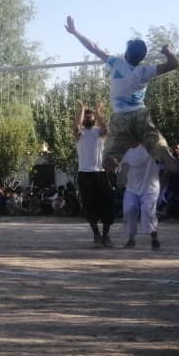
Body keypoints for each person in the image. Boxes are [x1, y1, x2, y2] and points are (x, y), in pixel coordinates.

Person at [65, 16, 179, 174]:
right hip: (141, 115)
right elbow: (173, 64)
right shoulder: (144, 71)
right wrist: (168, 52)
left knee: (114, 148)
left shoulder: (116, 63)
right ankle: (164, 153)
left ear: (126, 54)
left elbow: (93, 48)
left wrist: (75, 32)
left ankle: (112, 160)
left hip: (121, 117)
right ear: (141, 58)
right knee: (155, 140)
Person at [74, 100, 115, 246]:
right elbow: (76, 126)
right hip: (85, 174)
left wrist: (98, 112)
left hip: (100, 173)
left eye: (89, 116)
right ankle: (96, 236)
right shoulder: (81, 133)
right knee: (89, 206)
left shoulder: (99, 132)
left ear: (94, 119)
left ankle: (106, 236)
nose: (87, 118)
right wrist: (82, 109)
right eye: (85, 116)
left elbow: (106, 128)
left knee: (108, 204)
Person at [119, 144, 161, 250]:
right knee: (129, 210)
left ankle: (154, 238)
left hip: (149, 187)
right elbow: (122, 168)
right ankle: (131, 239)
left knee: (147, 210)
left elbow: (160, 150)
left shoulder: (149, 147)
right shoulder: (125, 151)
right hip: (132, 187)